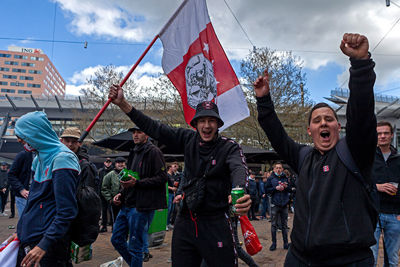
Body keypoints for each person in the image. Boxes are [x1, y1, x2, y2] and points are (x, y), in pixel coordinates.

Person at [254, 33, 378, 266]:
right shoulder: (302, 157)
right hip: (300, 258)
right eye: (317, 120)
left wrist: (360, 65)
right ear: (310, 130)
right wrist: (264, 101)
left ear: (338, 127)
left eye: (329, 119)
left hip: (348, 261)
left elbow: (361, 114)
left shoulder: (354, 153)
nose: (323, 123)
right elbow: (277, 136)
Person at [109, 84, 252, 267]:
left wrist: (240, 189)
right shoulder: (187, 139)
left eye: (211, 121)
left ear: (218, 124)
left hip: (216, 221)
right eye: (202, 121)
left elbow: (239, 168)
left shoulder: (229, 147)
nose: (207, 125)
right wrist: (123, 104)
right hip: (186, 220)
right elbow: (155, 128)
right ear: (195, 124)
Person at [10, 111, 80, 267]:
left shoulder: (62, 158)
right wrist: (20, 232)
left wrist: (44, 244)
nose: (19, 139)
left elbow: (67, 211)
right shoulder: (38, 158)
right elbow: (33, 201)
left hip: (49, 246)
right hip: (32, 239)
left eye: (23, 135)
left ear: (35, 133)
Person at [110, 127, 167, 267]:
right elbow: (131, 177)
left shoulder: (154, 152)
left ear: (146, 134)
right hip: (127, 204)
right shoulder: (134, 152)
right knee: (116, 239)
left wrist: (138, 183)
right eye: (133, 132)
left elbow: (162, 177)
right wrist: (121, 194)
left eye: (139, 132)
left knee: (136, 247)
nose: (135, 135)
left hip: (141, 206)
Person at [371, 121, 400, 267]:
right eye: (379, 133)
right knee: (371, 256)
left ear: (391, 135)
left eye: (386, 133)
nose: (382, 136)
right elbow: (360, 183)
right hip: (373, 214)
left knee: (393, 259)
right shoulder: (368, 158)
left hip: (395, 215)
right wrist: (378, 187)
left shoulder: (398, 159)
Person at [265, 162, 291, 251]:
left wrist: (285, 187)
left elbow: (291, 188)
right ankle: (274, 243)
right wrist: (275, 189)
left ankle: (286, 243)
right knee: (273, 225)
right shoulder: (271, 178)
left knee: (284, 225)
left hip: (284, 204)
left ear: (282, 169)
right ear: (274, 169)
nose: (278, 169)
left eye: (280, 168)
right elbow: (267, 190)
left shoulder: (285, 178)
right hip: (275, 204)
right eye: (277, 168)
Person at [101, 157, 126, 227]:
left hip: (127, 201)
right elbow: (104, 188)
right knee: (116, 220)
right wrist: (110, 199)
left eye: (122, 162)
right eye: (118, 163)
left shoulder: (128, 173)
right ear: (115, 164)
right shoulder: (110, 175)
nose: (120, 164)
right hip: (115, 202)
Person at [7, 149, 33, 217]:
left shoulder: (44, 154)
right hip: (24, 194)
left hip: (37, 194)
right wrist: (21, 189)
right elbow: (11, 174)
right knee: (24, 221)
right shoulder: (23, 155)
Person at [98, 157, 114, 232]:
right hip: (102, 194)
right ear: (104, 163)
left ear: (111, 163)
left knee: (111, 210)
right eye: (107, 162)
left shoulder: (113, 171)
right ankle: (104, 226)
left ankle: (114, 226)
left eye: (109, 162)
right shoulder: (101, 171)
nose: (108, 163)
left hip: (110, 194)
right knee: (103, 211)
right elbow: (99, 182)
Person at [167, 162, 179, 230]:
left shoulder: (173, 175)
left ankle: (169, 223)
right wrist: (172, 188)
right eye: (173, 166)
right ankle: (165, 224)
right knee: (168, 209)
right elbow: (164, 185)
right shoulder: (167, 175)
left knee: (172, 209)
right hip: (168, 194)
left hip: (173, 194)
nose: (174, 168)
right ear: (170, 167)